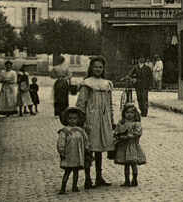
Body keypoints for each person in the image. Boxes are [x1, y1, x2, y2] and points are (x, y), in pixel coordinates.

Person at [76, 56, 115, 189]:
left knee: (100, 148)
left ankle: (99, 177)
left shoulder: (107, 83)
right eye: (95, 67)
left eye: (100, 67)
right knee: (89, 148)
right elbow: (81, 103)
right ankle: (87, 178)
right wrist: (81, 121)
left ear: (103, 69)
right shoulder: (87, 83)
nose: (98, 69)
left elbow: (110, 104)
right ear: (91, 68)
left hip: (103, 119)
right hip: (91, 118)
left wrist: (111, 120)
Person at [57, 107, 90, 194]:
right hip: (69, 155)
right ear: (66, 119)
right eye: (70, 118)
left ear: (78, 119)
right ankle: (63, 187)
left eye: (75, 118)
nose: (72, 120)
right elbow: (61, 142)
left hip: (78, 155)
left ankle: (74, 186)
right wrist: (62, 151)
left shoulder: (81, 131)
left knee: (76, 172)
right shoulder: (64, 131)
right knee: (67, 171)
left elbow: (86, 140)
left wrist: (87, 148)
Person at [114, 103, 146, 187]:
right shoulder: (122, 123)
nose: (129, 114)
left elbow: (137, 133)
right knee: (126, 164)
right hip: (124, 146)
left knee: (133, 163)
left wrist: (130, 136)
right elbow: (117, 132)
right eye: (127, 112)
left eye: (131, 112)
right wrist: (119, 136)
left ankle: (134, 179)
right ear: (124, 113)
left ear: (135, 114)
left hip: (132, 146)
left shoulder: (136, 124)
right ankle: (127, 180)